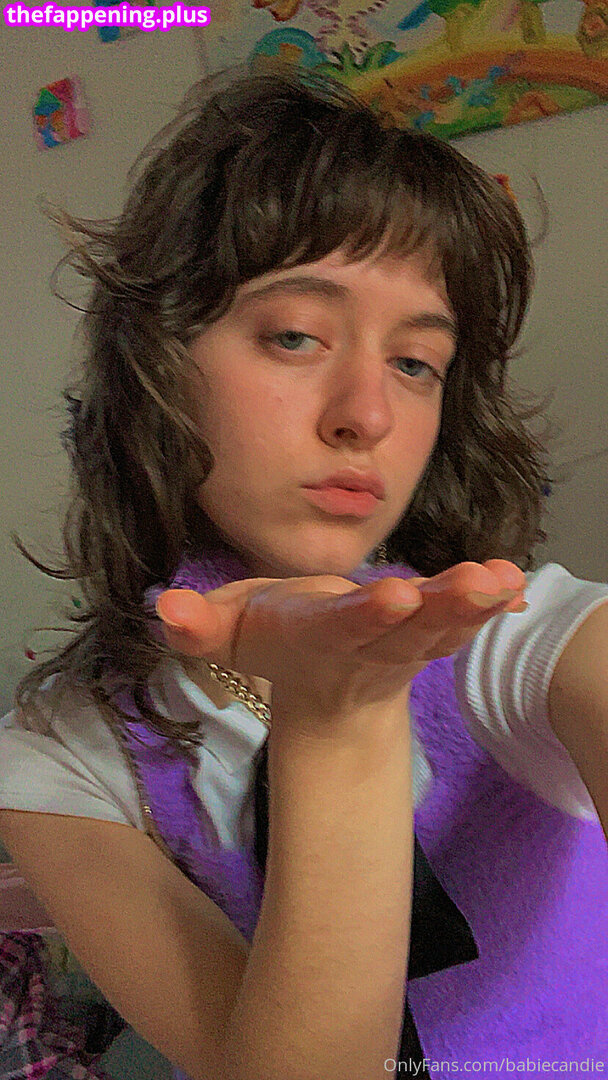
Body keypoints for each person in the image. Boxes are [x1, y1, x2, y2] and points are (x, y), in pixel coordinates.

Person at [1, 64, 607, 1080]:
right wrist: (336, 718)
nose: (366, 415)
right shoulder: (59, 756)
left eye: (414, 363)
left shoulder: (521, 638)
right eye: (294, 336)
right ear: (154, 363)